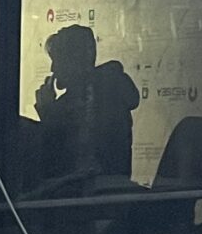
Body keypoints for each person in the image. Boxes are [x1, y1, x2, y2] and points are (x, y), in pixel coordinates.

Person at [34, 26, 140, 185]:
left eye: (58, 60)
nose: (53, 69)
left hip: (96, 190)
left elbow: (62, 160)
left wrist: (49, 113)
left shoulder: (100, 97)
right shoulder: (104, 91)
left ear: (76, 60)